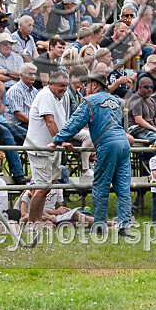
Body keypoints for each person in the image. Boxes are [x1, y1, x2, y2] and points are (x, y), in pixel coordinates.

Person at [52, 72, 134, 234]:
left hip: (107, 144)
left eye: (87, 84)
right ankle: (125, 226)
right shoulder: (117, 101)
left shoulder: (89, 100)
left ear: (94, 85)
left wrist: (57, 139)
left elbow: (75, 123)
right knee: (123, 188)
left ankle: (99, 225)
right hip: (123, 144)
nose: (84, 87)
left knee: (101, 186)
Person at [23, 70, 70, 224]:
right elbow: (49, 121)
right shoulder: (45, 96)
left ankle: (37, 220)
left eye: (66, 86)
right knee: (42, 188)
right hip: (41, 149)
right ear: (51, 84)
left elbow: (59, 123)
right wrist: (62, 142)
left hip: (51, 149)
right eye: (61, 85)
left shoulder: (57, 97)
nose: (64, 89)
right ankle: (31, 222)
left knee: (46, 187)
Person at [5, 63, 39, 130]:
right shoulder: (15, 90)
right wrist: (36, 123)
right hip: (19, 125)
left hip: (31, 122)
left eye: (34, 74)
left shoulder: (35, 91)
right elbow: (19, 116)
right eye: (30, 74)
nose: (33, 76)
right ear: (21, 75)